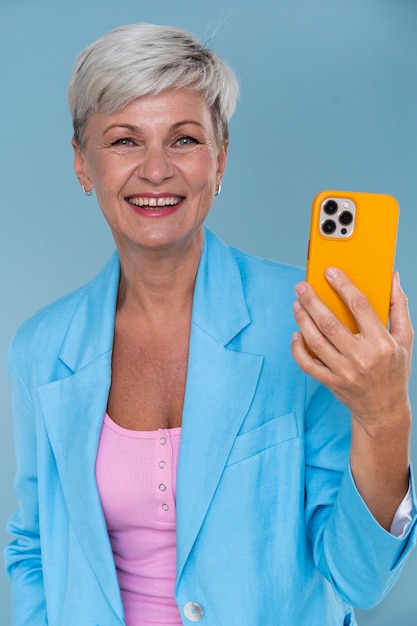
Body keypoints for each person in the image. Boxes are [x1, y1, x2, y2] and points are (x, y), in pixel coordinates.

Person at [4, 23, 416, 626]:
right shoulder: (40, 349)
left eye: (184, 139)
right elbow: (33, 548)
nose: (155, 170)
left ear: (219, 159)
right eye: (123, 141)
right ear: (82, 164)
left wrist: (384, 416)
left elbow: (359, 577)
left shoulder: (306, 322)